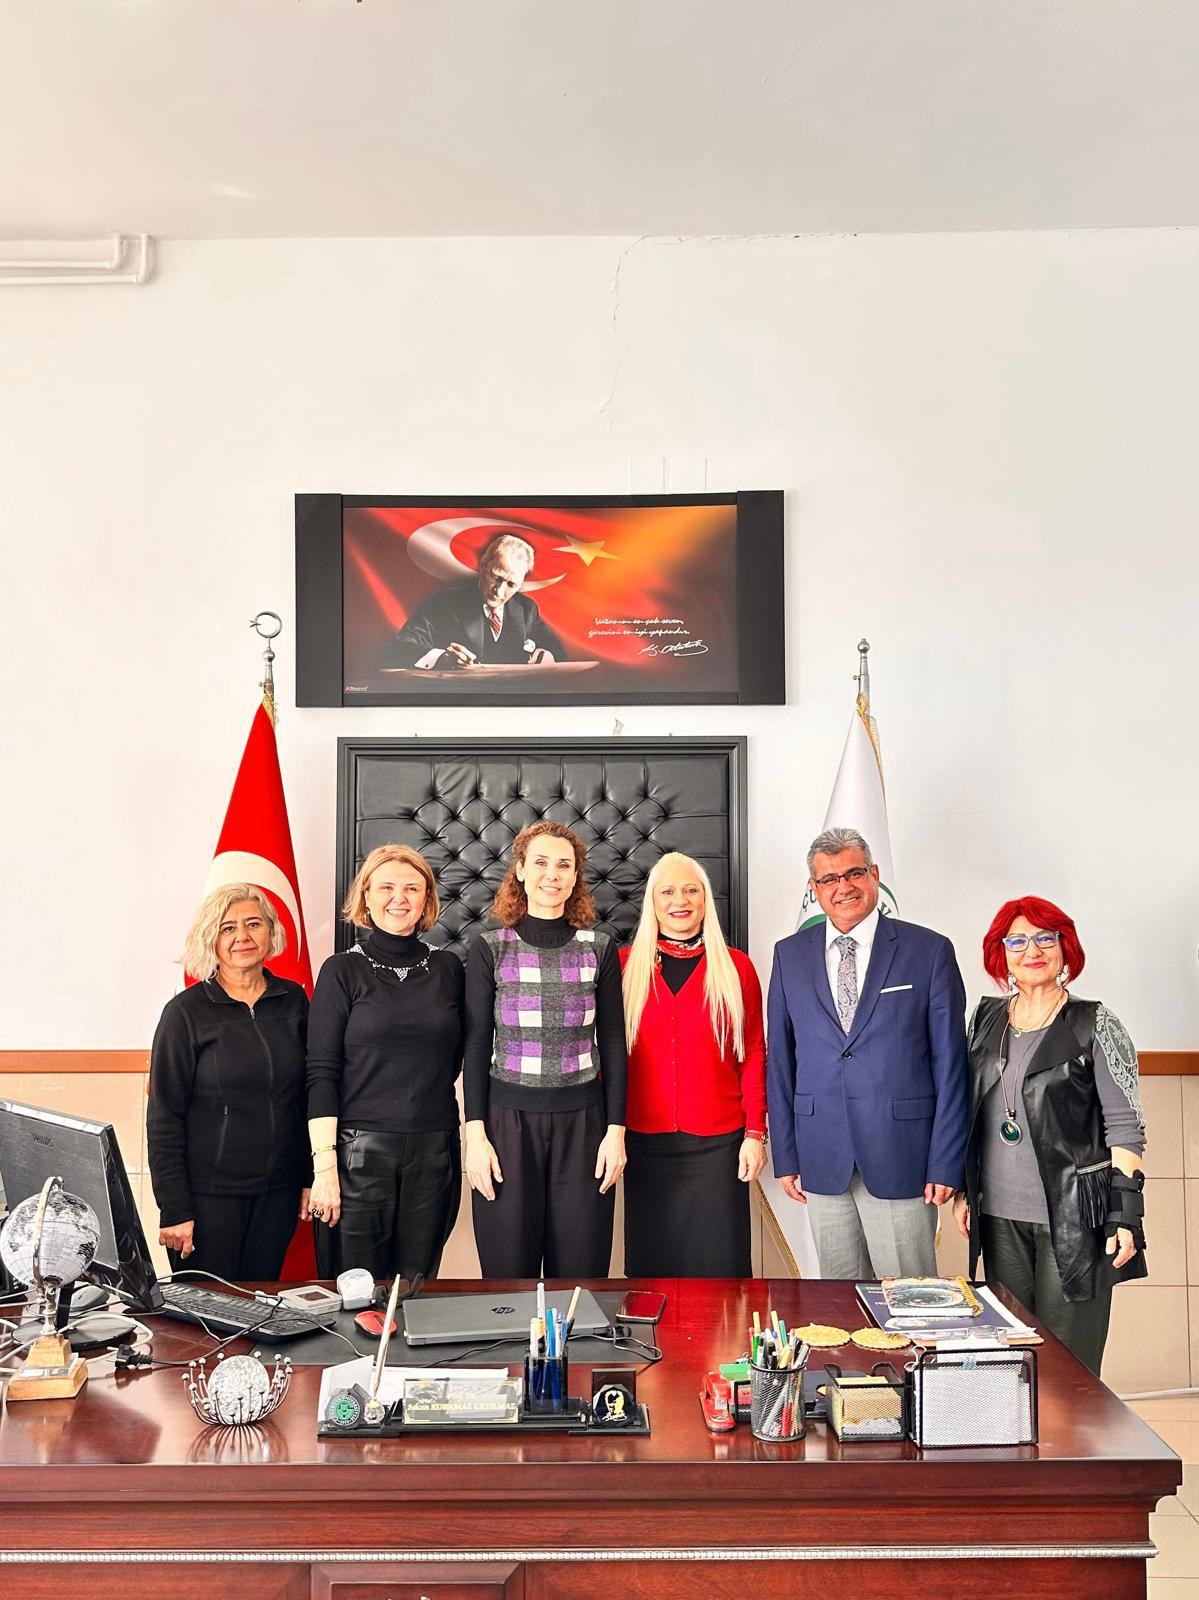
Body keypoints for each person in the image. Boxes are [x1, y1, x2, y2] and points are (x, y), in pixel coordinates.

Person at [952, 897, 1146, 1374]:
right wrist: (963, 1190)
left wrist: (1125, 1216)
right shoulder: (985, 1019)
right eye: (1017, 940)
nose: (1031, 951)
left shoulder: (1095, 1022)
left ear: (1065, 948)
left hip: (1077, 1220)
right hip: (999, 1217)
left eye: (1045, 938)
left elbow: (1125, 1127)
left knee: (1069, 1365)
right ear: (1001, 953)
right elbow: (970, 1111)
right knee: (1012, 1358)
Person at [766, 826, 969, 1279]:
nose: (843, 887)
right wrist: (787, 1154)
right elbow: (780, 1060)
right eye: (829, 878)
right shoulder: (788, 955)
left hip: (904, 1155)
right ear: (814, 888)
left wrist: (946, 1161)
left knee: (909, 1298)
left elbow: (952, 1066)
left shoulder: (928, 951)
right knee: (837, 1301)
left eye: (854, 873)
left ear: (874, 874)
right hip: (821, 1155)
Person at [463, 821, 627, 1277]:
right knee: (507, 1276)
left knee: (579, 1274)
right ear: (519, 870)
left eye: (563, 865)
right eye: (540, 862)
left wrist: (616, 1132)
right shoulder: (490, 949)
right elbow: (476, 1044)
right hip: (506, 1127)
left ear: (575, 877)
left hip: (585, 1127)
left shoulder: (599, 949)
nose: (551, 874)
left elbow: (614, 1043)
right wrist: (474, 1136)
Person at [305, 844, 465, 1283]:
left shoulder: (449, 968)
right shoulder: (341, 971)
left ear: (426, 898)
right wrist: (324, 1167)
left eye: (412, 888)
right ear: (366, 896)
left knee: (415, 1290)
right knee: (355, 1292)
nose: (400, 898)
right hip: (358, 1153)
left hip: (434, 1150)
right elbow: (321, 1072)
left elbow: (453, 1059)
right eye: (387, 887)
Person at [148, 884, 310, 1280]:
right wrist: (175, 1208)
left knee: (261, 1304)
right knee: (204, 1312)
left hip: (278, 1194)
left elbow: (310, 1095)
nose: (242, 936)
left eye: (253, 924)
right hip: (207, 1199)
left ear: (271, 931)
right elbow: (164, 1117)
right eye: (228, 928)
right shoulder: (184, 1013)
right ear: (211, 939)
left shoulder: (295, 1001)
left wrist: (309, 1176)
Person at [620, 852, 767, 1276]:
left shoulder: (737, 968)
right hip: (644, 1145)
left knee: (721, 1272)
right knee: (652, 1273)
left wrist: (755, 1133)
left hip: (719, 1148)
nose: (679, 900)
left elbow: (753, 1054)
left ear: (705, 899)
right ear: (652, 902)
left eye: (690, 890)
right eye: (667, 891)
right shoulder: (624, 966)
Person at [383, 533, 566, 670]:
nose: (499, 591)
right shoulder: (443, 603)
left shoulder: (527, 609)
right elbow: (399, 647)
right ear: (483, 565)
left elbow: (559, 654)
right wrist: (442, 658)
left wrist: (548, 657)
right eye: (496, 577)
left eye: (511, 584)